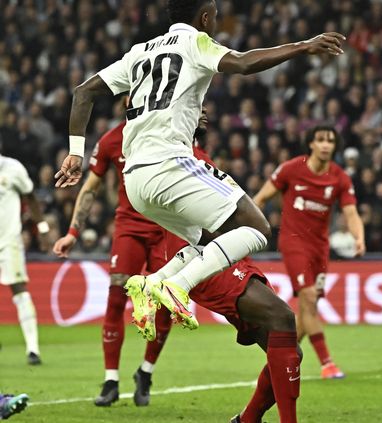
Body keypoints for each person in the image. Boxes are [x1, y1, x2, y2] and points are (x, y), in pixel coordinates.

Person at [53, 0, 345, 338]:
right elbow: (243, 63)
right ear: (205, 17)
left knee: (212, 240)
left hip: (134, 180)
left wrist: (75, 153)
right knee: (257, 227)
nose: (216, 23)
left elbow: (83, 92)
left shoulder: (139, 52)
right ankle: (177, 286)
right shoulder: (196, 42)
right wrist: (304, 46)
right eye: (216, 17)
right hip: (169, 165)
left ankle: (152, 284)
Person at [51, 107, 210, 406]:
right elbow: (91, 187)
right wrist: (73, 231)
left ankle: (146, 371)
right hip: (129, 228)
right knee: (115, 298)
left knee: (164, 301)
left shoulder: (172, 132)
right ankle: (111, 380)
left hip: (168, 228)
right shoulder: (113, 139)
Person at [253, 126, 365, 379]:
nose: (326, 145)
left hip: (320, 250)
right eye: (321, 140)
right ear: (311, 144)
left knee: (307, 309)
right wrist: (249, 229)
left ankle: (282, 357)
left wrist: (359, 237)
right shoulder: (291, 168)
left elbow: (350, 212)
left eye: (331, 141)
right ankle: (327, 363)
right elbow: (260, 198)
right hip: (295, 244)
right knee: (309, 299)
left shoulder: (339, 177)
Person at [156, 229, 301, 423]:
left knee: (291, 353)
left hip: (228, 253)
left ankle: (247, 420)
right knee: (282, 318)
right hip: (203, 256)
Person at [0, 151, 49, 365]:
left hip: (8, 240)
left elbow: (31, 197)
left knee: (19, 288)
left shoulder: (13, 168)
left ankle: (33, 348)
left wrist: (43, 229)